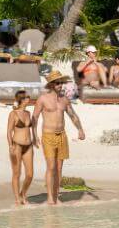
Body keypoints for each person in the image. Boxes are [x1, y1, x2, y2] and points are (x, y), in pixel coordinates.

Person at [32, 70, 85, 205]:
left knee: (59, 168)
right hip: (48, 135)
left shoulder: (64, 100)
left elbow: (72, 115)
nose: (60, 85)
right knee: (51, 167)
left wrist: (80, 129)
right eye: (57, 83)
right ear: (51, 85)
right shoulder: (42, 99)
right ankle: (50, 197)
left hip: (62, 135)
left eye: (61, 83)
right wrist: (34, 135)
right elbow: (35, 117)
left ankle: (56, 196)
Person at [7, 90, 36, 206]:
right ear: (22, 100)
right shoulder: (13, 114)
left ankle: (23, 193)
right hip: (17, 145)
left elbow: (31, 128)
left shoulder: (28, 113)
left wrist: (35, 138)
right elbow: (9, 131)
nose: (29, 99)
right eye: (27, 98)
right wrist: (10, 145)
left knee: (30, 174)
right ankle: (17, 199)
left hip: (28, 146)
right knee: (17, 173)